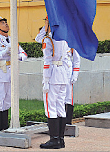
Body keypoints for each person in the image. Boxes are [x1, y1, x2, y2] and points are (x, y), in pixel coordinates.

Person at [35, 16, 79, 149]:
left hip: (53, 75)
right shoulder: (65, 39)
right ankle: (60, 139)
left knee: (50, 108)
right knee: (61, 107)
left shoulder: (49, 40)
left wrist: (46, 80)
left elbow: (47, 62)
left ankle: (54, 139)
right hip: (63, 76)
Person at [0, 15, 28, 132]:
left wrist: (17, 56)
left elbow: (24, 54)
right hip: (1, 73)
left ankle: (5, 128)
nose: (6, 24)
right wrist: (5, 51)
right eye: (3, 23)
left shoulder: (13, 40)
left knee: (7, 101)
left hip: (11, 73)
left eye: (6, 22)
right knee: (0, 100)